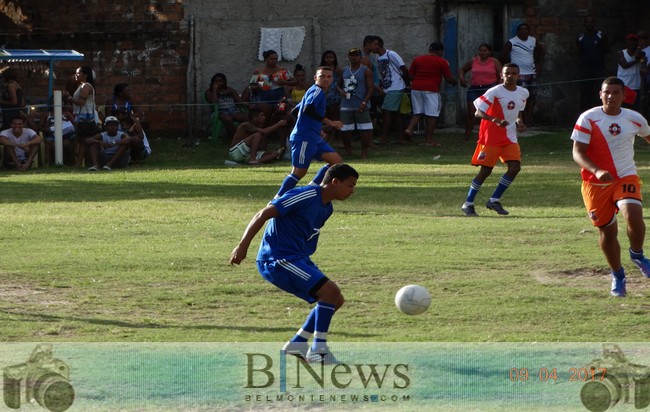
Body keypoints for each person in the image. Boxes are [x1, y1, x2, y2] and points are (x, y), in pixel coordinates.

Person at [230, 163, 359, 364]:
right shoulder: (306, 195)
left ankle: (297, 344)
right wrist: (242, 246)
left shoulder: (327, 208)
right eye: (350, 185)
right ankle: (318, 350)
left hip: (297, 258)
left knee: (336, 299)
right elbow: (263, 214)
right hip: (277, 259)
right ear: (335, 182)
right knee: (330, 292)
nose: (353, 191)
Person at [571, 76, 650, 297]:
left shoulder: (634, 119)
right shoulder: (588, 118)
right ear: (600, 94)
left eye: (616, 93)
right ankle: (618, 274)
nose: (611, 96)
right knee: (608, 232)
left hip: (625, 177)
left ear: (624, 96)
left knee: (634, 213)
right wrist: (596, 170)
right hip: (594, 183)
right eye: (607, 92)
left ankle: (637, 254)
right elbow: (578, 152)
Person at [460, 63, 528, 217]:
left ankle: (494, 199)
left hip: (509, 136)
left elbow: (518, 111)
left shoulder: (523, 92)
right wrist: (495, 120)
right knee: (486, 171)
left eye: (514, 73)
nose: (510, 76)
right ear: (501, 75)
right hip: (491, 137)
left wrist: (519, 121)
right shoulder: (495, 91)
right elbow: (478, 112)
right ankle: (468, 203)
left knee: (515, 167)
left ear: (518, 75)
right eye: (507, 73)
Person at [275, 66, 343, 198]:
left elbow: (295, 111)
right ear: (315, 78)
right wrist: (330, 122)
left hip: (313, 136)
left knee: (336, 162)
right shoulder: (317, 91)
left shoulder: (315, 92)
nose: (326, 79)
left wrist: (315, 128)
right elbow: (307, 109)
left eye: (329, 77)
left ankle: (311, 190)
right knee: (298, 172)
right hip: (304, 137)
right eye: (322, 76)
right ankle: (276, 201)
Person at [404, 42, 458, 147]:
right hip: (431, 89)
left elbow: (410, 75)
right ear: (440, 51)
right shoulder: (442, 61)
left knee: (417, 112)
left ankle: (409, 129)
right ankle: (428, 140)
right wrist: (454, 82)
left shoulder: (417, 59)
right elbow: (448, 78)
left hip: (416, 88)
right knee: (432, 114)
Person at [501, 23, 544, 126]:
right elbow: (503, 56)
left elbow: (542, 51)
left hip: (531, 73)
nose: (524, 31)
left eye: (526, 29)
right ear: (518, 31)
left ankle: (530, 117)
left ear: (529, 31)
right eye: (521, 29)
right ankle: (522, 119)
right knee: (522, 97)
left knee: (532, 96)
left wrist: (539, 66)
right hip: (520, 75)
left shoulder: (532, 40)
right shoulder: (512, 42)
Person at [459, 43, 502, 141]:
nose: (482, 53)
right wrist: (461, 78)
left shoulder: (494, 62)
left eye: (485, 51)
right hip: (475, 89)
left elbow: (500, 76)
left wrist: (499, 88)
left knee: (490, 113)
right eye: (480, 50)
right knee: (472, 113)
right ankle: (466, 136)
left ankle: (490, 136)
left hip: (489, 89)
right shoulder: (473, 61)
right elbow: (463, 69)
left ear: (489, 52)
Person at [338, 47, 374, 158]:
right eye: (352, 55)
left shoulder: (366, 71)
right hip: (346, 104)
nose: (354, 58)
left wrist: (364, 102)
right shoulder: (344, 70)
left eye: (356, 55)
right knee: (345, 129)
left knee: (365, 128)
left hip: (361, 104)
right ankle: (348, 149)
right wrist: (341, 92)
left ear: (360, 57)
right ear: (348, 57)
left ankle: (364, 152)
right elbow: (337, 84)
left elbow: (371, 88)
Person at [375, 36, 411, 144]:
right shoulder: (378, 57)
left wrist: (407, 85)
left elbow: (403, 69)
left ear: (378, 44)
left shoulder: (391, 54)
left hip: (396, 87)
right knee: (396, 114)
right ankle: (400, 138)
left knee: (387, 111)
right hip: (387, 87)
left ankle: (383, 137)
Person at [63, 66, 100, 167]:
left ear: (85, 75)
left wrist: (69, 98)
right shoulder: (81, 86)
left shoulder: (86, 86)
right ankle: (79, 163)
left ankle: (95, 163)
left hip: (87, 118)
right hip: (82, 117)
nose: (76, 75)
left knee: (89, 140)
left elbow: (81, 102)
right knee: (82, 140)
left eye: (78, 73)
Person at [576, 16, 609, 112]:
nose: (589, 24)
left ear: (594, 24)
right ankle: (585, 115)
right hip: (585, 69)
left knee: (599, 92)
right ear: (584, 24)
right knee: (585, 93)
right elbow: (579, 52)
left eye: (591, 22)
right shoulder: (580, 37)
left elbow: (606, 49)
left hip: (599, 68)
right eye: (587, 22)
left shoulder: (601, 35)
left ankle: (601, 113)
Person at [204, 73, 248, 140]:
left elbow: (238, 100)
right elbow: (214, 103)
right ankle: (232, 138)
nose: (217, 83)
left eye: (220, 81)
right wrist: (215, 90)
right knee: (228, 119)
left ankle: (245, 136)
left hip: (233, 110)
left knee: (246, 117)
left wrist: (249, 105)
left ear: (224, 82)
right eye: (215, 81)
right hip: (219, 112)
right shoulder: (209, 92)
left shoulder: (229, 90)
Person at [617, 34, 645, 110]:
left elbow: (637, 56)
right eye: (630, 40)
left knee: (635, 110)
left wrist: (639, 47)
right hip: (625, 86)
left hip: (636, 86)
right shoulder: (621, 53)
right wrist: (636, 61)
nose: (632, 42)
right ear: (626, 42)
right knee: (624, 109)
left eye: (634, 41)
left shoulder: (641, 53)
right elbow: (624, 65)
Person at [320, 50, 343, 144]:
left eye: (331, 57)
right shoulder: (321, 68)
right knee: (325, 118)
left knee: (335, 118)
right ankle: (325, 137)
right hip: (324, 96)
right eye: (326, 57)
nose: (329, 59)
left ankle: (332, 139)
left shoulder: (337, 69)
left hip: (335, 96)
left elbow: (341, 81)